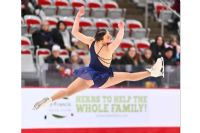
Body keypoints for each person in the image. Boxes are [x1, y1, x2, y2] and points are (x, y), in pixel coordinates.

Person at [33, 6, 164, 110]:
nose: (110, 38)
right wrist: (122, 29)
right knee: (128, 76)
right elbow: (119, 39)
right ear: (101, 39)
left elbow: (74, 32)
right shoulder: (108, 48)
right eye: (108, 36)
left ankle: (49, 100)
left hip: (89, 74)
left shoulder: (91, 41)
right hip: (102, 78)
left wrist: (78, 17)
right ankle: (153, 72)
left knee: (68, 91)